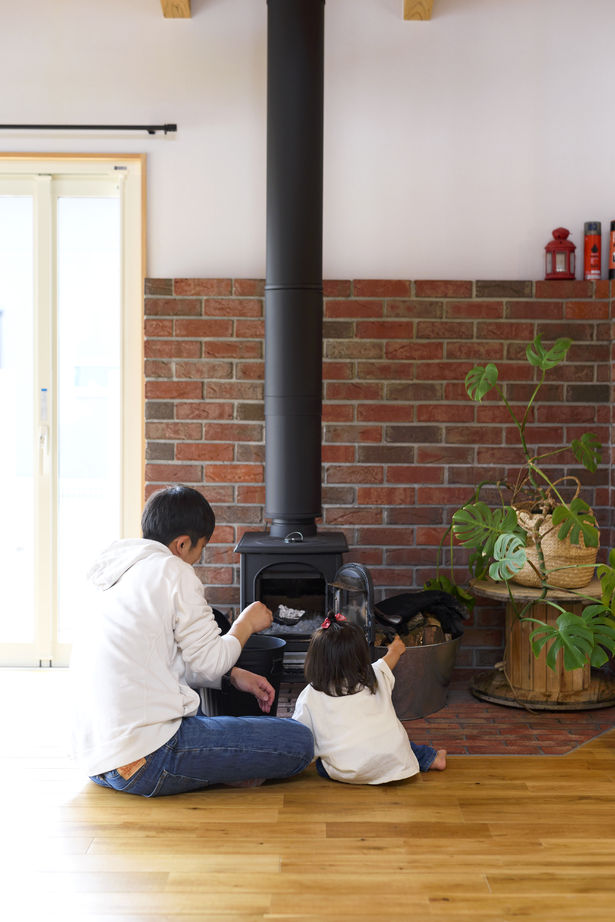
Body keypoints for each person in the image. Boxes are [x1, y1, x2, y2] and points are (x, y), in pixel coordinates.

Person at [70, 484, 314, 796]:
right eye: (201, 549)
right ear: (182, 544)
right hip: (145, 758)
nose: (198, 559)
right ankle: (218, 770)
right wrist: (245, 623)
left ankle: (216, 770)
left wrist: (234, 675)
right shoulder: (172, 570)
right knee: (299, 741)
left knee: (205, 717)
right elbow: (209, 661)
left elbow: (169, 661)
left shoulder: (116, 573)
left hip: (98, 759)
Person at [292, 614, 446, 784]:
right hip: (394, 760)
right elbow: (392, 656)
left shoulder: (310, 694)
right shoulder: (373, 675)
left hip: (350, 770)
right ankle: (433, 758)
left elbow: (300, 738)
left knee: (323, 758)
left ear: (315, 659)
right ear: (361, 655)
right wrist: (396, 646)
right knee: (393, 741)